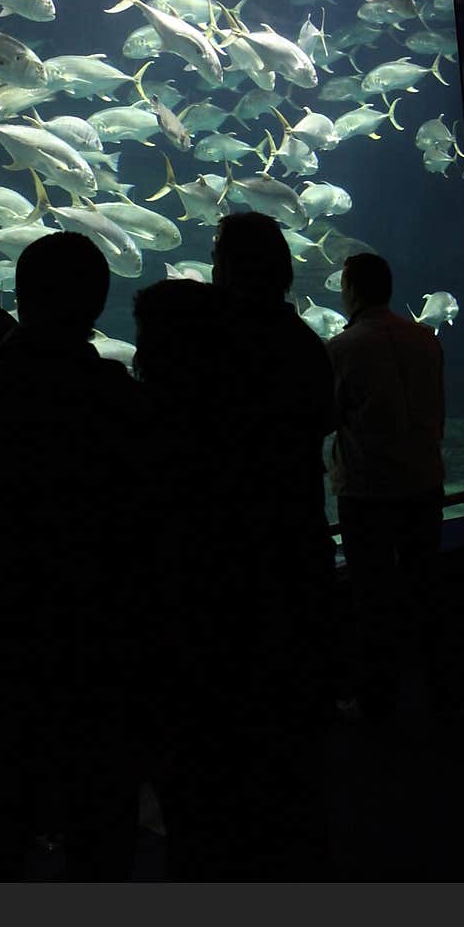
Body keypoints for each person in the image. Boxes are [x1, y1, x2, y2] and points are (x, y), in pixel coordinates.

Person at [0, 232, 153, 880]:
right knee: (104, 833)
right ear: (100, 305)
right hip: (106, 666)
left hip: (4, 666)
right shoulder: (125, 402)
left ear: (19, 297)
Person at [133, 217, 337, 879]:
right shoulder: (305, 343)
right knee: (284, 721)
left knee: (213, 730)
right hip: (293, 554)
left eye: (218, 256)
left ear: (230, 268)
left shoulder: (210, 341)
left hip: (213, 567)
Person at [327, 252, 454, 721]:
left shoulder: (343, 347)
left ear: (352, 289)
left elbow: (327, 415)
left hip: (367, 491)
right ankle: (440, 690)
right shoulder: (425, 340)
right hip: (424, 483)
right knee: (427, 587)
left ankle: (378, 700)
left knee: (371, 597)